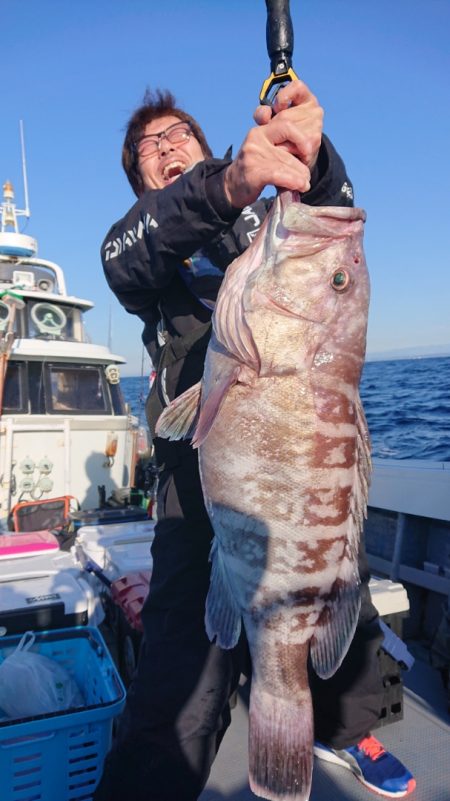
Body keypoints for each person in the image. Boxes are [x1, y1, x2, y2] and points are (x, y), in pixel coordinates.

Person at [93, 81, 415, 801]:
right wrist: (230, 179)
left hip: (296, 458)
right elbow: (124, 255)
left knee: (338, 589)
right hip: (195, 479)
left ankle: (343, 724)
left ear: (208, 147)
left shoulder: (274, 228)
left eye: (180, 135)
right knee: (183, 671)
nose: (167, 147)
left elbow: (331, 209)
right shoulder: (144, 245)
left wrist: (312, 152)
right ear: (144, 182)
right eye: (150, 146)